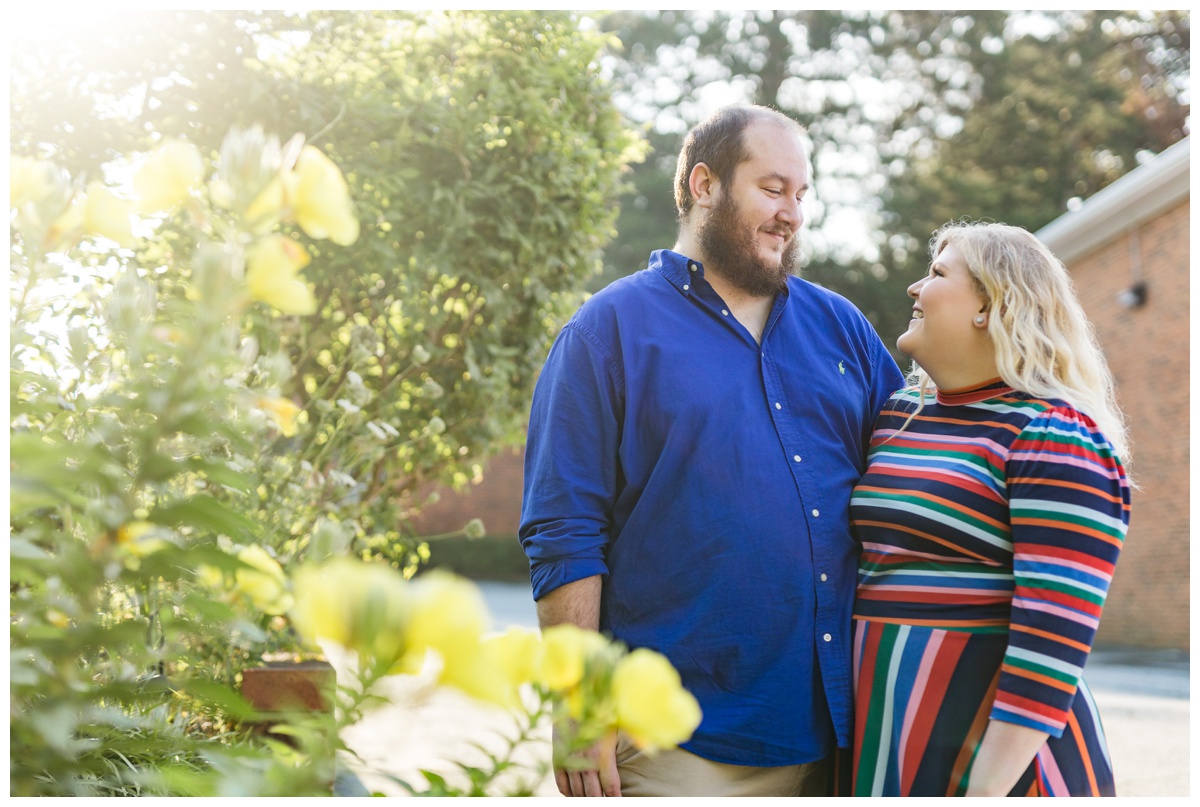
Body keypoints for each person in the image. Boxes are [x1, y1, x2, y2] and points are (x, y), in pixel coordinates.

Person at [519, 103, 905, 797]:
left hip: (837, 736)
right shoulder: (606, 332)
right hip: (674, 742)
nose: (792, 212)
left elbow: (917, 474)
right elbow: (564, 530)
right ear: (705, 185)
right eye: (772, 187)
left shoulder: (841, 328)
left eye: (802, 194)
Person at [849, 221, 1132, 797]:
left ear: (988, 303)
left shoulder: (1055, 437)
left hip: (994, 767)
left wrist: (984, 793)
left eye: (936, 273)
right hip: (888, 744)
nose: (914, 290)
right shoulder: (900, 417)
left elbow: (1051, 645)